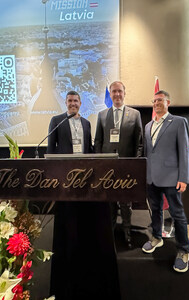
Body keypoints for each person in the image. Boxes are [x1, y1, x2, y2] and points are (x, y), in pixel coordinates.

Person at [48, 91, 120, 300]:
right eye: (70, 101)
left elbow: (89, 148)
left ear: (80, 104)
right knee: (67, 211)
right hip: (64, 174)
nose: (73, 104)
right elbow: (51, 148)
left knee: (82, 212)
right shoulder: (57, 120)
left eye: (76, 101)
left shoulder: (87, 123)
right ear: (66, 103)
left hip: (83, 174)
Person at [142, 90, 189, 273]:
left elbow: (184, 151)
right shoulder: (148, 126)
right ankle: (156, 237)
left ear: (168, 102)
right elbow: (148, 153)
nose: (157, 103)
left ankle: (183, 250)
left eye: (160, 100)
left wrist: (183, 178)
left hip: (172, 178)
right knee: (155, 210)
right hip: (152, 178)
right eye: (154, 101)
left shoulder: (178, 122)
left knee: (177, 215)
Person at [94, 81, 143, 248]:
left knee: (125, 202)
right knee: (109, 203)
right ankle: (111, 233)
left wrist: (135, 165)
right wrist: (100, 164)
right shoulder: (101, 115)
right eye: (114, 91)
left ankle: (127, 233)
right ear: (110, 93)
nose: (117, 94)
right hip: (107, 169)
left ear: (124, 92)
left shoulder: (135, 114)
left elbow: (139, 143)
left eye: (119, 91)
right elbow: (98, 141)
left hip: (126, 168)